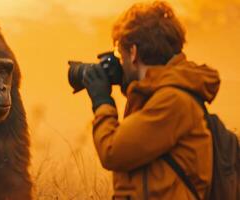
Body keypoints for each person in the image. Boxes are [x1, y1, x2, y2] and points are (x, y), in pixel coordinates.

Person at [83, 1, 220, 199]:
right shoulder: (161, 96)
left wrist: (102, 102)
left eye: (121, 54)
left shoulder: (173, 101)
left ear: (133, 52)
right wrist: (132, 88)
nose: (121, 62)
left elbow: (112, 151)